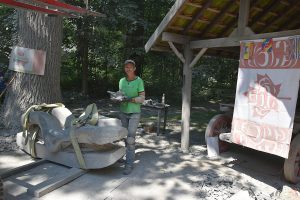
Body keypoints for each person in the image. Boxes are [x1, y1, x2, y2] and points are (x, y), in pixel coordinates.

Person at [119, 59, 145, 175]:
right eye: (126, 67)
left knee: (130, 138)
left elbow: (142, 98)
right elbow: (120, 95)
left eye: (130, 67)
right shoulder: (121, 81)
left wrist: (131, 99)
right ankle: (126, 156)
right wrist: (116, 97)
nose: (128, 69)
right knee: (124, 136)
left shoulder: (139, 81)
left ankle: (128, 164)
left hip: (135, 112)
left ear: (134, 68)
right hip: (123, 112)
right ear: (124, 68)